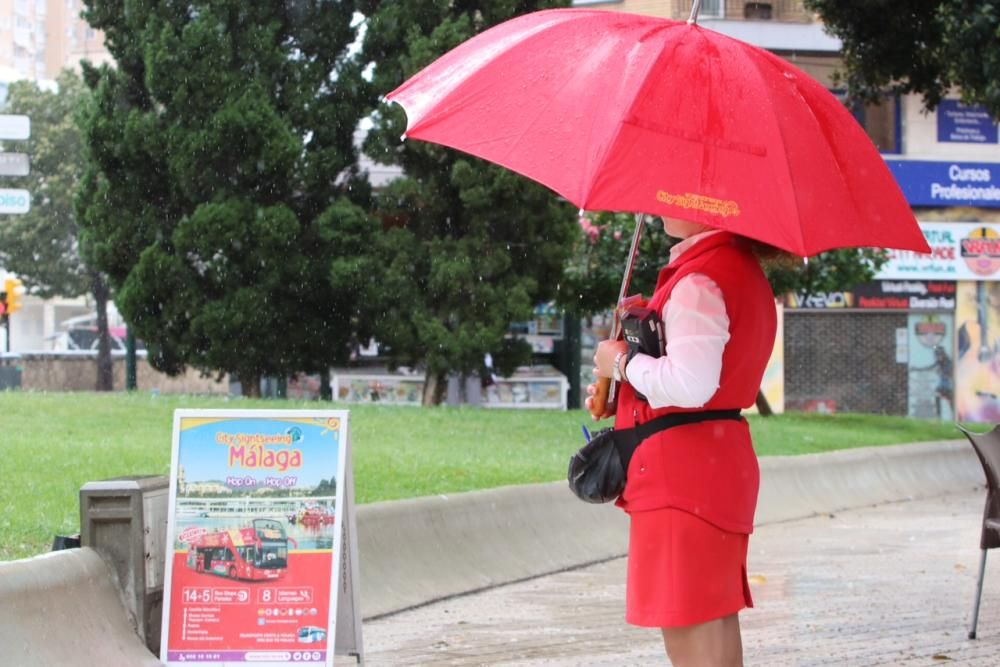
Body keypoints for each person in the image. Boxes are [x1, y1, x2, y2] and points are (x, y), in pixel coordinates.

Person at [586, 216, 779, 667]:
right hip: (711, 464)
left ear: (705, 204)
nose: (659, 206)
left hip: (681, 475)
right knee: (712, 620)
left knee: (691, 629)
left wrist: (623, 365)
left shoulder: (699, 280)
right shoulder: (738, 269)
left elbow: (692, 384)